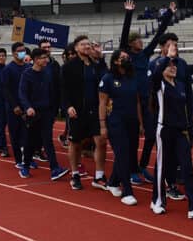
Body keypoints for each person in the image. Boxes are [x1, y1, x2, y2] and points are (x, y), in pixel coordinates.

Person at [150, 53, 193, 219]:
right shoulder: (159, 85)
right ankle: (158, 201)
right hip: (164, 131)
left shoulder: (181, 85)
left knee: (187, 168)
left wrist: (191, 131)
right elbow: (155, 74)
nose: (173, 67)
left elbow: (184, 112)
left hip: (181, 132)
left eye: (175, 65)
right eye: (169, 65)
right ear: (162, 69)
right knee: (162, 167)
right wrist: (165, 58)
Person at [120, 0, 172, 184]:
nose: (141, 42)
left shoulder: (145, 54)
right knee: (134, 138)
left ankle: (142, 166)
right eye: (138, 40)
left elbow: (159, 35)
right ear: (131, 43)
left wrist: (169, 15)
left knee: (151, 136)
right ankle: (132, 170)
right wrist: (128, 13)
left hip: (147, 100)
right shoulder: (125, 55)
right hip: (131, 100)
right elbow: (124, 35)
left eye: (141, 40)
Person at [62, 34, 108, 191]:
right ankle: (75, 174)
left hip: (96, 110)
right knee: (76, 144)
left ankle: (99, 176)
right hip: (77, 111)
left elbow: (106, 78)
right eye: (83, 44)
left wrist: (101, 58)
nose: (87, 47)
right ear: (76, 48)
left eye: (88, 44)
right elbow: (62, 89)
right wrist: (67, 106)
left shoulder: (96, 65)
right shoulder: (69, 66)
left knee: (101, 141)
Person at [18, 47, 69, 182]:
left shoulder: (48, 72)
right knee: (31, 141)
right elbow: (22, 93)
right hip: (33, 113)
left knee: (47, 140)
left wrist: (54, 108)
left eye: (46, 57)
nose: (46, 60)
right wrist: (28, 107)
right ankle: (25, 166)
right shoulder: (27, 74)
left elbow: (53, 90)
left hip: (47, 111)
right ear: (35, 60)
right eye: (42, 58)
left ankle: (54, 168)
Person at [99, 48, 141, 206]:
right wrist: (102, 124)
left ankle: (113, 182)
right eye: (123, 57)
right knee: (122, 153)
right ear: (116, 61)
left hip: (132, 121)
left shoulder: (132, 77)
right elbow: (102, 102)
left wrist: (140, 122)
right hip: (116, 121)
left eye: (127, 57)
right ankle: (127, 191)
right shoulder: (108, 78)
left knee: (129, 153)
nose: (126, 59)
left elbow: (136, 101)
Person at [3, 41, 30, 169]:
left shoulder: (27, 67)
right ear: (14, 53)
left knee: (27, 134)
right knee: (15, 134)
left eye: (23, 50)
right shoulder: (8, 69)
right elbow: (6, 89)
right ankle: (18, 160)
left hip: (26, 106)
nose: (22, 52)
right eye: (19, 50)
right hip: (13, 108)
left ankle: (28, 158)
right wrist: (14, 106)